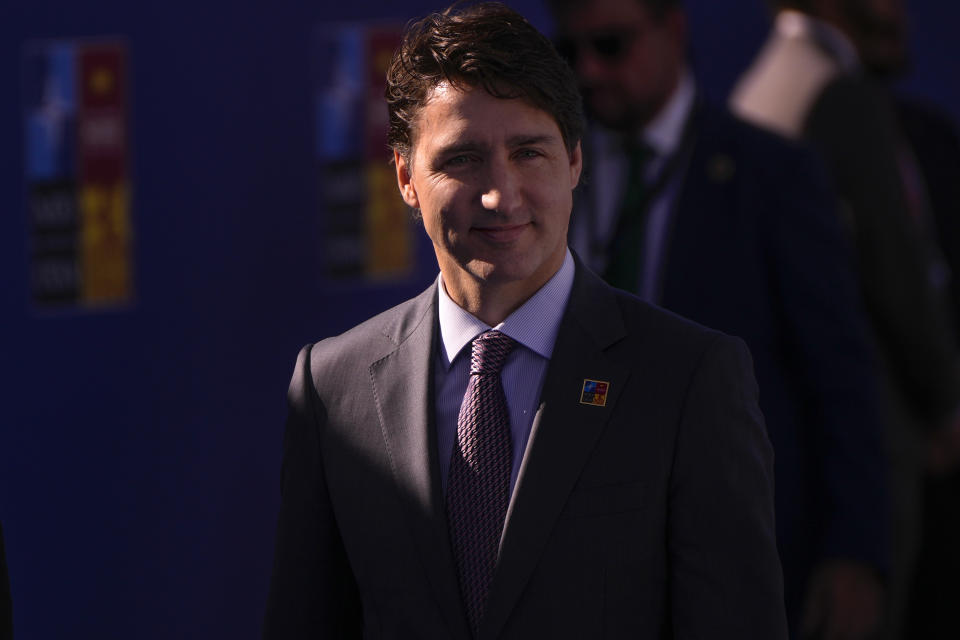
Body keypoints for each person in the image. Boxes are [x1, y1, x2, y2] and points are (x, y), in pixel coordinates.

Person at [262, 3, 786, 638]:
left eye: (528, 152)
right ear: (405, 177)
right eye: (462, 159)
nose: (500, 194)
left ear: (574, 163)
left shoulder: (687, 379)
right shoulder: (331, 387)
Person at [550, 0, 889, 636]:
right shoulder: (548, 177)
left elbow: (840, 375)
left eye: (613, 45)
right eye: (571, 53)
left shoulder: (771, 173)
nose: (590, 71)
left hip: (733, 555)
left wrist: (857, 552)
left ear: (672, 30)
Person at [731, 1, 960, 637]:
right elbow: (898, 276)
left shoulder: (762, 86)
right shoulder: (837, 94)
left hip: (787, 455)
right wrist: (945, 404)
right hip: (863, 454)